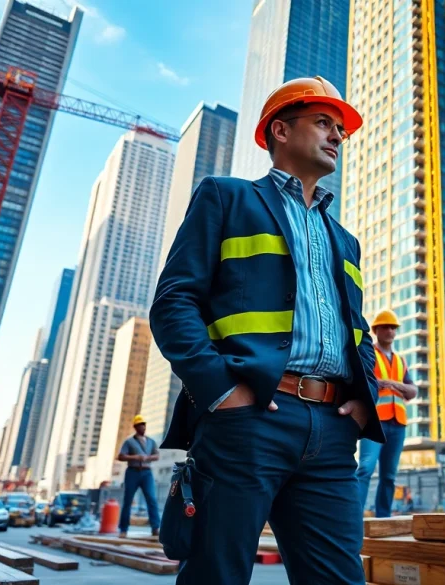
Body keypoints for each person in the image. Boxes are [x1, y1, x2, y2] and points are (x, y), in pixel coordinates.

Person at [150, 75, 382, 585]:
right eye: (324, 122)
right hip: (250, 417)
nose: (337, 136)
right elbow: (174, 303)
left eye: (339, 128)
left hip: (332, 431)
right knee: (218, 575)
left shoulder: (344, 239)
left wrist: (362, 402)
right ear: (280, 129)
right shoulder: (226, 199)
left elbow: (357, 331)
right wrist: (221, 390)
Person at [356, 309, 417, 518]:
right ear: (376, 330)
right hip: (374, 422)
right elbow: (363, 381)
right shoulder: (369, 354)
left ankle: (383, 517)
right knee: (365, 468)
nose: (390, 331)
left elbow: (412, 391)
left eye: (393, 327)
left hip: (398, 424)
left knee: (389, 476)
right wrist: (385, 384)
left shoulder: (401, 361)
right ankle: (353, 515)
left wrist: (393, 384)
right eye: (386, 327)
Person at [116, 414, 160, 538]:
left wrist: (147, 458)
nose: (143, 427)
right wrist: (135, 457)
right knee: (128, 500)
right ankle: (123, 530)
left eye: (144, 424)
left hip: (147, 473)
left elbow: (156, 456)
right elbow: (121, 456)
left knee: (151, 499)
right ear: (135, 427)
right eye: (140, 425)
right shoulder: (129, 441)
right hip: (132, 472)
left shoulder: (151, 441)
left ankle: (155, 528)